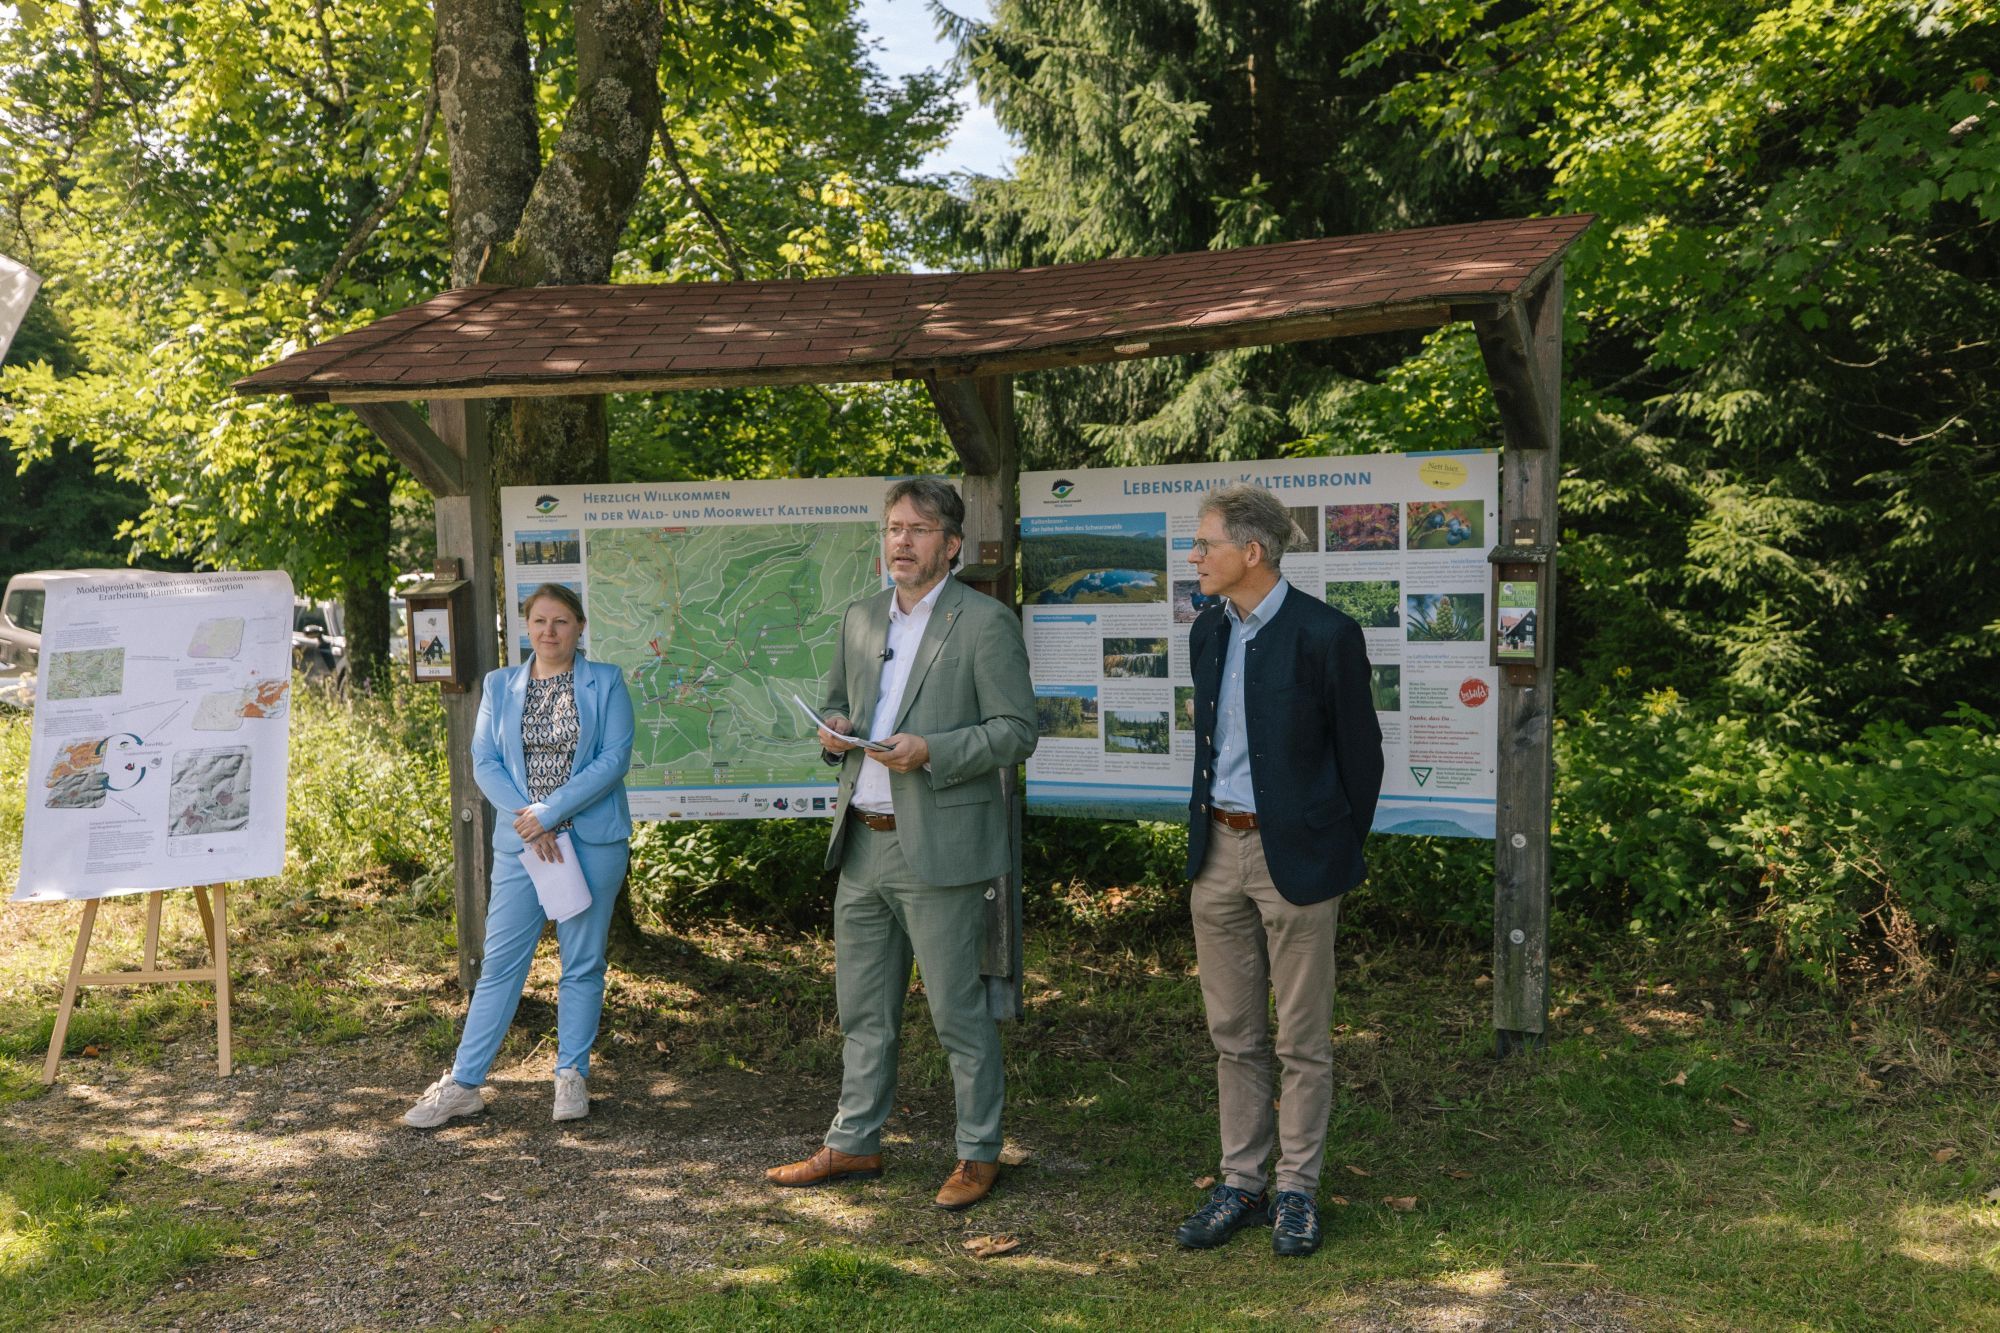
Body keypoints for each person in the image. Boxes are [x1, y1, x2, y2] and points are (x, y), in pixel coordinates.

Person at [765, 478, 1037, 1211]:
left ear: (949, 543)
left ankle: (978, 1150)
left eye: (918, 529)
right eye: (892, 528)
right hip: (861, 842)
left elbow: (1017, 730)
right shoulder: (859, 616)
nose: (901, 542)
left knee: (957, 1013)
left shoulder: (983, 622)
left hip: (941, 847)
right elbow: (839, 704)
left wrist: (934, 749)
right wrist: (831, 733)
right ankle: (855, 1140)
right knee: (862, 1009)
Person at [1174, 483, 1384, 1258]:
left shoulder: (1326, 634)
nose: (1194, 557)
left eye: (1204, 544)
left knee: (1302, 1038)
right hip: (1216, 853)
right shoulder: (1208, 630)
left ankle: (1296, 1191)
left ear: (1250, 553)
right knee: (1233, 1032)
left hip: (1298, 856)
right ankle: (1241, 1182)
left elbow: (1362, 761)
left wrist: (1329, 843)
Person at [402, 583, 635, 1127]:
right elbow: (484, 761)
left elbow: (613, 759)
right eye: (539, 621)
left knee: (582, 963)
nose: (549, 631)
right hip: (524, 848)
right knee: (501, 964)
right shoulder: (500, 685)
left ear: (579, 628)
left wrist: (549, 812)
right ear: (525, 628)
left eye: (560, 622)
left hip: (591, 841)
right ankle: (463, 1085)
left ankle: (570, 1078)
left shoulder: (607, 682)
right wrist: (531, 823)